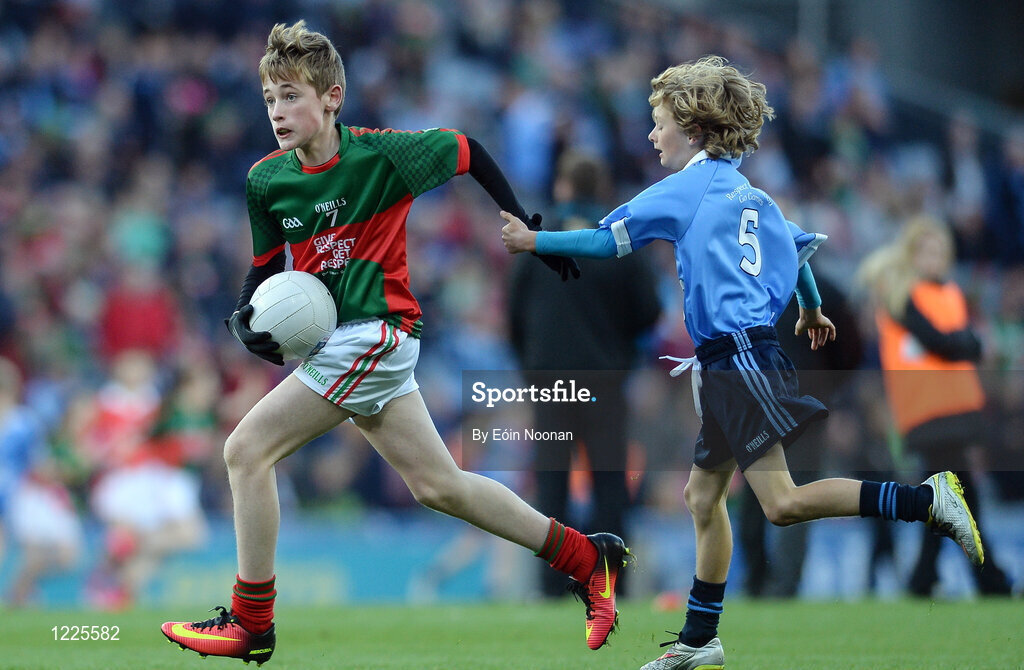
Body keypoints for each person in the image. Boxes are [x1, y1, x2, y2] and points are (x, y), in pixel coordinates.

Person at [161, 21, 625, 665]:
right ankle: (586, 557)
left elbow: (467, 149)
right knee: (441, 487)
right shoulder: (266, 181)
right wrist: (244, 317)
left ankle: (252, 621)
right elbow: (268, 267)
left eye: (291, 95)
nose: (277, 111)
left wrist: (521, 219)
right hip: (344, 345)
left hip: (379, 335)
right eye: (269, 98)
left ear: (332, 97)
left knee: (245, 451)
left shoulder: (384, 155)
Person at [501, 55, 985, 670]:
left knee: (780, 503)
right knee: (703, 498)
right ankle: (701, 639)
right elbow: (802, 250)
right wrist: (809, 310)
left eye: (660, 122)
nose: (652, 135)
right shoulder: (753, 196)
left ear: (695, 129)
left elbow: (606, 240)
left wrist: (532, 241)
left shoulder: (688, 188)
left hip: (738, 361)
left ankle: (927, 501)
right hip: (737, 358)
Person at [508, 151, 661, 598]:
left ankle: (552, 584)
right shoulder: (618, 245)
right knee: (610, 483)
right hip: (604, 383)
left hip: (551, 383)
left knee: (552, 482)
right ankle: (612, 580)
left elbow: (513, 316)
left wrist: (532, 366)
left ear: (563, 188)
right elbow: (650, 313)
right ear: (601, 191)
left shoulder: (537, 244)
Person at [858, 215, 1012, 597]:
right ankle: (983, 579)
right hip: (930, 413)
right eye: (927, 250)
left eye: (941, 250)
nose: (936, 258)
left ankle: (927, 578)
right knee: (957, 493)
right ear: (911, 254)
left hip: (950, 411)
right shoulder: (903, 295)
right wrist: (974, 343)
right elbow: (940, 340)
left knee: (951, 494)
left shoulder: (944, 293)